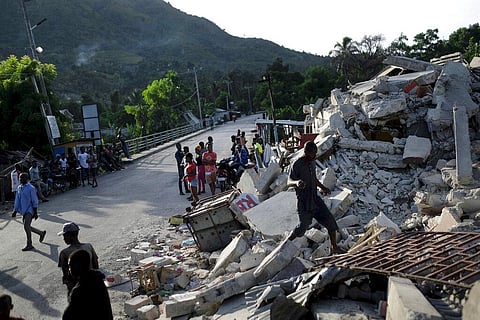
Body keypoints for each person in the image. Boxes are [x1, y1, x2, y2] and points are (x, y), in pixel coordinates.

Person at [287, 141, 344, 255]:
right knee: (302, 227)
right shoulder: (297, 164)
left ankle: (334, 247)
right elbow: (288, 181)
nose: (312, 157)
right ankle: (286, 243)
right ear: (305, 152)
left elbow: (314, 178)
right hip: (304, 201)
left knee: (330, 221)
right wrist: (297, 182)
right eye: (310, 155)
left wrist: (323, 187)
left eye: (314, 155)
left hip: (315, 199)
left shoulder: (312, 163)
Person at [62, 249, 113, 320]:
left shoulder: (79, 290)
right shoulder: (98, 280)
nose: (69, 270)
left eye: (70, 266)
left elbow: (68, 316)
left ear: (78, 267)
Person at [58, 222, 99, 294]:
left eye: (64, 236)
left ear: (70, 236)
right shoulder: (89, 246)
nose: (63, 239)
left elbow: (66, 275)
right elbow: (96, 266)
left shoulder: (64, 253)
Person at [12, 172, 47, 251]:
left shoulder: (31, 188)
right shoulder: (19, 188)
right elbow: (17, 200)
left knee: (26, 225)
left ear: (27, 179)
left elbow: (35, 200)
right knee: (27, 226)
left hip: (30, 209)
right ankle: (41, 233)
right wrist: (15, 210)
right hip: (23, 210)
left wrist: (35, 212)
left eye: (22, 178)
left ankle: (29, 244)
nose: (20, 179)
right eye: (20, 178)